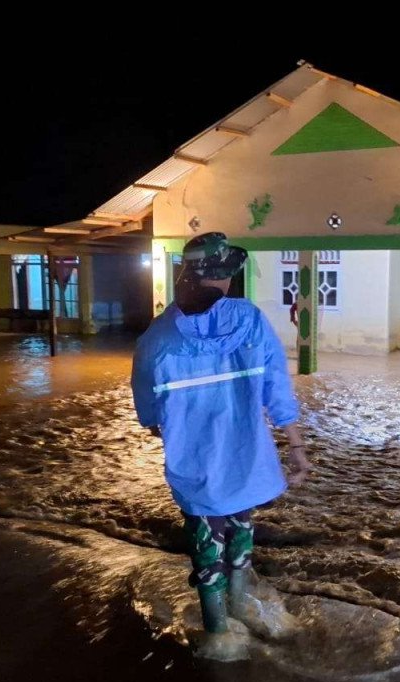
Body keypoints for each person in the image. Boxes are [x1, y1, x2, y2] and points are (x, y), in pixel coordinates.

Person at [131, 231, 310, 659]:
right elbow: (277, 391)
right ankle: (244, 602)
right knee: (241, 530)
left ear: (185, 275)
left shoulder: (156, 339)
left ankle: (219, 636)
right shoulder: (249, 320)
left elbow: (149, 416)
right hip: (247, 462)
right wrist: (297, 448)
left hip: (197, 469)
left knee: (206, 545)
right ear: (227, 277)